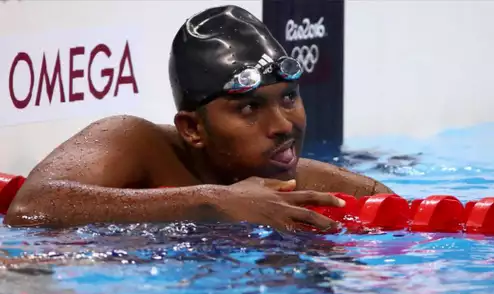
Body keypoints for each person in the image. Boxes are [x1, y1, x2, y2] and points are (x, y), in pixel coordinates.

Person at [4, 5, 394, 230]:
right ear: (192, 129)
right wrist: (211, 201)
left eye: (288, 98)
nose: (282, 125)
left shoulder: (338, 190)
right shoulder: (135, 143)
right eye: (249, 108)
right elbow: (31, 207)